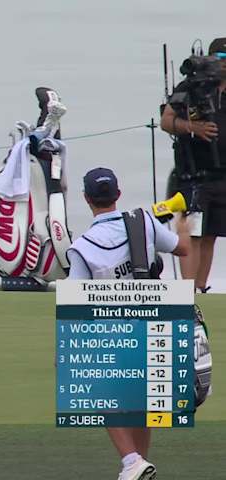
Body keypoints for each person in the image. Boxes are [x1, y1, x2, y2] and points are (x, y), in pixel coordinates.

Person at [66, 168, 189, 480]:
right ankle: (140, 464)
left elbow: (76, 305)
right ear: (117, 195)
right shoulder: (144, 221)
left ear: (86, 199)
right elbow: (183, 248)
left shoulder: (81, 247)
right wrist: (184, 219)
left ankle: (132, 460)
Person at [160, 37, 226, 293]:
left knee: (211, 235)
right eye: (219, 59)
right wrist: (192, 127)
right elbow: (167, 120)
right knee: (193, 233)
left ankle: (201, 288)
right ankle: (186, 292)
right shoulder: (191, 86)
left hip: (223, 175)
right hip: (194, 174)